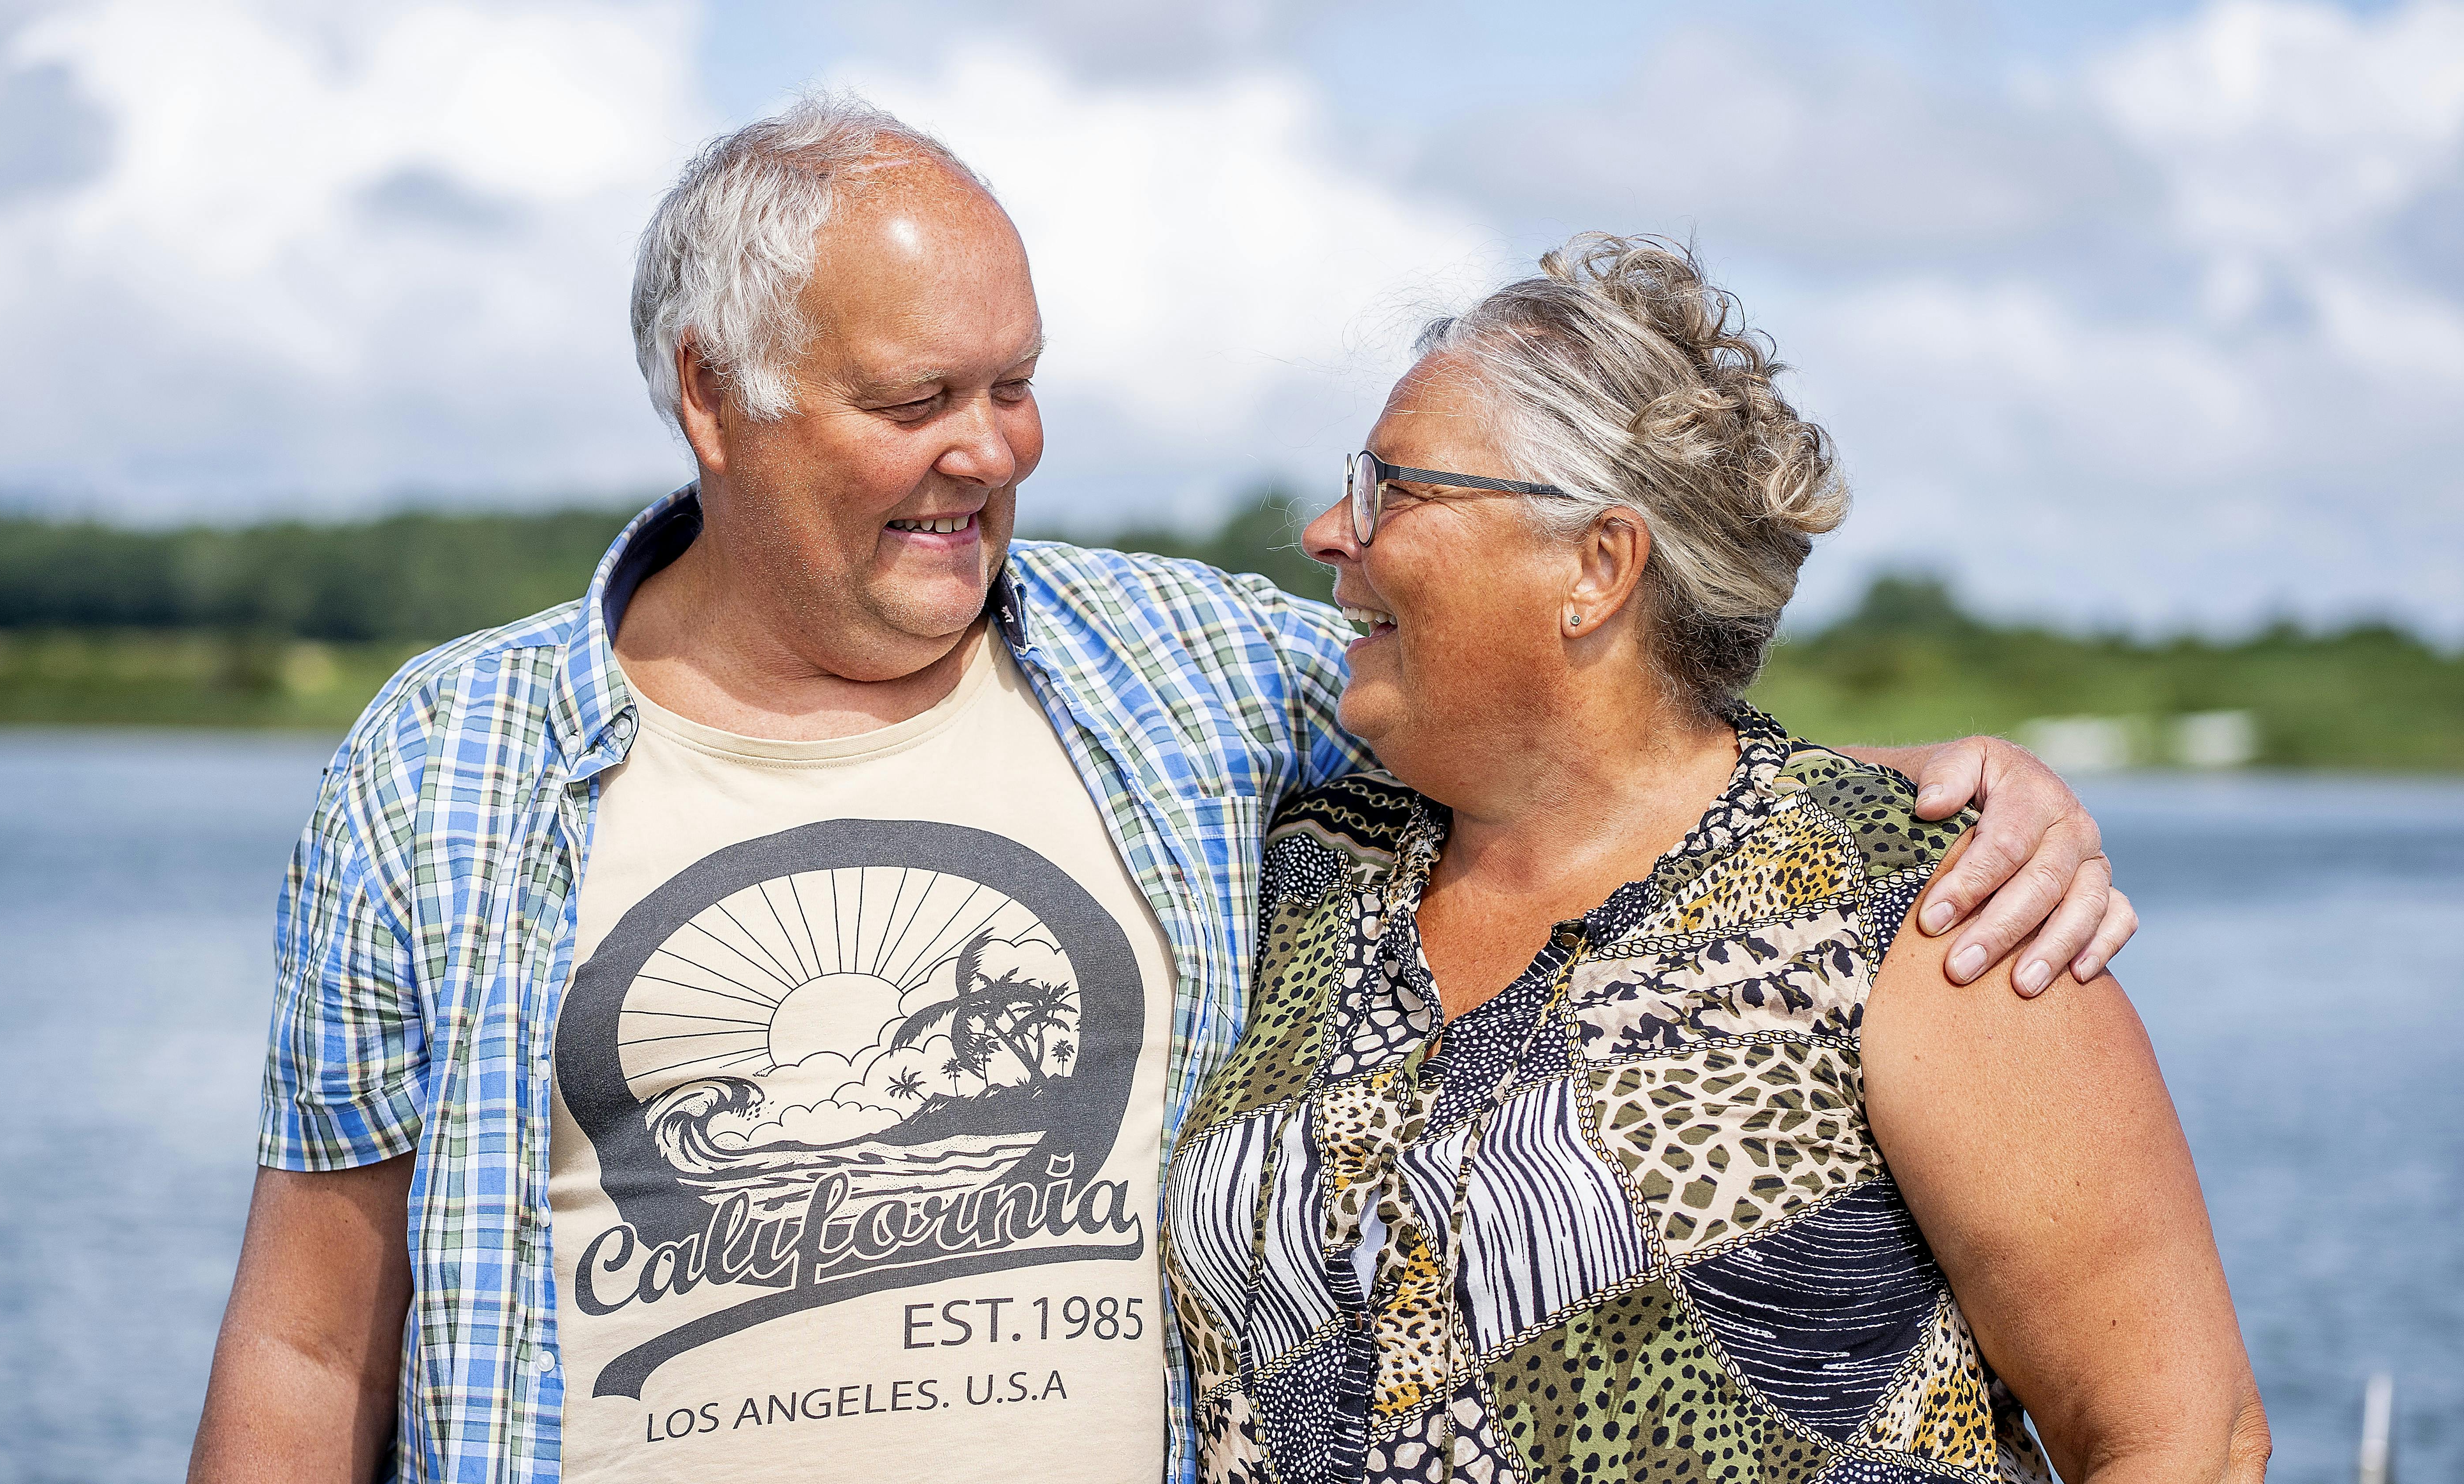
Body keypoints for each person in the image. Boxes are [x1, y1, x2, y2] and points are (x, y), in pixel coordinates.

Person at [187, 100, 2132, 1484]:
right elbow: (304, 1343)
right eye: (914, 401)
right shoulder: (444, 765)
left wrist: (1932, 800)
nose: (990, 452)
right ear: (714, 394)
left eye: (1013, 384)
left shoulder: (1192, 677)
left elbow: (1598, 743)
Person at [1159, 235, 2265, 1484]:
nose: (1325, 532)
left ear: (1597, 566)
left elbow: (2187, 1438)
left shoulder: (1914, 901)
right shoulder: (1310, 864)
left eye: (1389, 492)